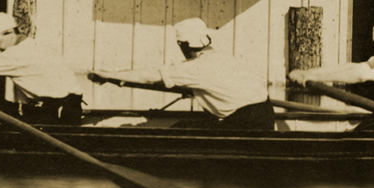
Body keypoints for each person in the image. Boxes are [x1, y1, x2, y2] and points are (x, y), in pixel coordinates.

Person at [90, 17, 276, 132]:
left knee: (181, 129)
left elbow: (149, 76)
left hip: (245, 124)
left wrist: (108, 75)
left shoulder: (195, 68)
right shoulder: (223, 57)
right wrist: (119, 81)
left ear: (183, 45)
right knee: (190, 125)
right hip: (265, 115)